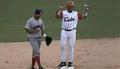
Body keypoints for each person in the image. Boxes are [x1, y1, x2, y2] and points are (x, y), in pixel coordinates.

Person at [55, 1, 90, 68]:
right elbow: (56, 16)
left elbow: (83, 17)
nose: (72, 8)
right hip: (64, 32)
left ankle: (70, 62)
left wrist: (86, 11)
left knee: (71, 46)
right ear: (67, 7)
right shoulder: (63, 12)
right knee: (62, 46)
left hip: (72, 32)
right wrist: (59, 10)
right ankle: (63, 62)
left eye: (72, 6)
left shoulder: (76, 13)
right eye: (71, 6)